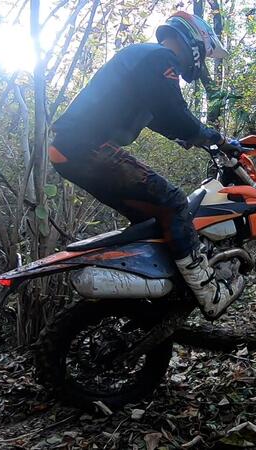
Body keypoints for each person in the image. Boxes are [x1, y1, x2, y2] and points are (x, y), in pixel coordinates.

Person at [48, 12, 243, 318]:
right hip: (87, 147)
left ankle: (159, 292)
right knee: (174, 202)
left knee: (152, 219)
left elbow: (160, 118)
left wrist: (191, 138)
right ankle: (208, 292)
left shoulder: (144, 59)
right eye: (205, 54)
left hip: (69, 150)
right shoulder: (160, 58)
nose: (203, 60)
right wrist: (214, 137)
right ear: (195, 42)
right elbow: (174, 113)